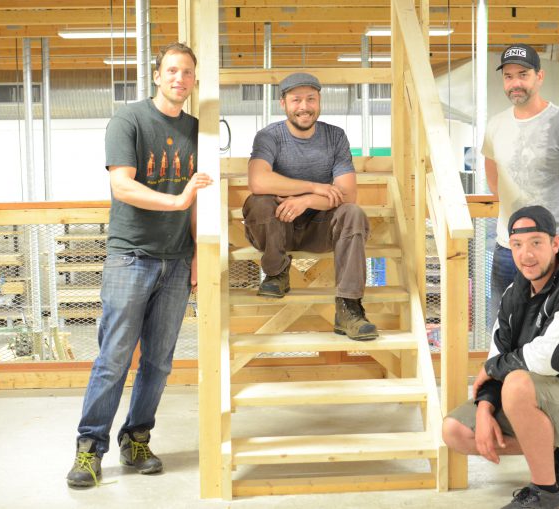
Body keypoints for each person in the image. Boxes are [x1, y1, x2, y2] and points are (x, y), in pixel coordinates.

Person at [67, 42, 213, 488]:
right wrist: (178, 198)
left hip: (176, 262)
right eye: (171, 71)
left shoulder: (198, 130)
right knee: (113, 359)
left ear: (193, 79)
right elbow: (122, 186)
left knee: (159, 363)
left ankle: (136, 438)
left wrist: (195, 255)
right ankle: (90, 449)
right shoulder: (128, 119)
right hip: (130, 257)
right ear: (157, 75)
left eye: (187, 72)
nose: (179, 79)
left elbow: (199, 200)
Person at [443, 205, 559, 509]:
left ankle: (546, 493)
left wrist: (491, 369)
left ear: (556, 244)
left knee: (516, 383)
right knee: (455, 432)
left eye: (536, 243)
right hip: (543, 400)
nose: (526, 254)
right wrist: (485, 406)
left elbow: (547, 359)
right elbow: (498, 352)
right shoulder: (515, 292)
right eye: (517, 245)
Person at [242, 72, 377, 341]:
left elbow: (348, 194)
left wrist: (306, 201)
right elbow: (258, 181)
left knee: (353, 213)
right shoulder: (268, 136)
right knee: (258, 201)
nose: (304, 106)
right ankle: (277, 272)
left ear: (319, 101)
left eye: (310, 99)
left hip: (320, 227)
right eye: (296, 100)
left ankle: (348, 307)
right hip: (277, 226)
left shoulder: (335, 136)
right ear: (283, 104)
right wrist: (315, 187)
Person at [484, 43, 559, 325]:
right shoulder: (495, 126)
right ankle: (505, 371)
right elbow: (493, 179)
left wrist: (554, 224)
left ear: (539, 76)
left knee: (555, 328)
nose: (515, 83)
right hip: (507, 248)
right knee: (504, 327)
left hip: (554, 249)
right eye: (509, 76)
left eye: (522, 74)